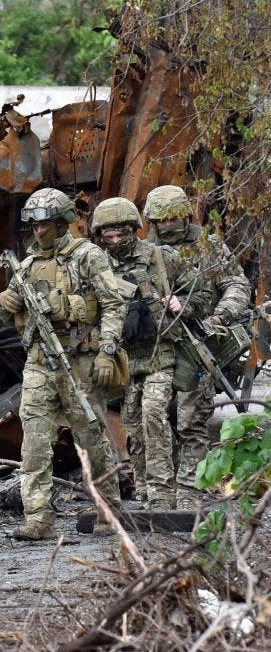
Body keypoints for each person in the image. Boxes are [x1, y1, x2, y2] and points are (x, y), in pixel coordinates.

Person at [0, 188, 124, 541]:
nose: (39, 230)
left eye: (46, 223)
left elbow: (113, 305)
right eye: (34, 224)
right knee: (34, 440)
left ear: (63, 222)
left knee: (90, 438)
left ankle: (108, 509)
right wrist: (6, 303)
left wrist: (106, 352)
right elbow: (11, 318)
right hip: (39, 362)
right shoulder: (26, 265)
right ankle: (38, 518)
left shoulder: (87, 257)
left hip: (80, 360)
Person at [91, 197, 209, 510]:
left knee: (153, 413)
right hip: (127, 360)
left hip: (162, 353)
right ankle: (143, 487)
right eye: (109, 236)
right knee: (132, 426)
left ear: (135, 228)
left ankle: (161, 491)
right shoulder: (98, 265)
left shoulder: (161, 257)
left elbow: (203, 291)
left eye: (122, 234)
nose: (116, 241)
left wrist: (183, 304)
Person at [143, 185, 251, 508]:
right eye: (161, 220)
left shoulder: (206, 246)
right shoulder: (144, 251)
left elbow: (236, 283)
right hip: (159, 345)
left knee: (192, 420)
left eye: (174, 218)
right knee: (152, 416)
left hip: (199, 341)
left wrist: (221, 316)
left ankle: (191, 491)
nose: (168, 225)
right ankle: (156, 491)